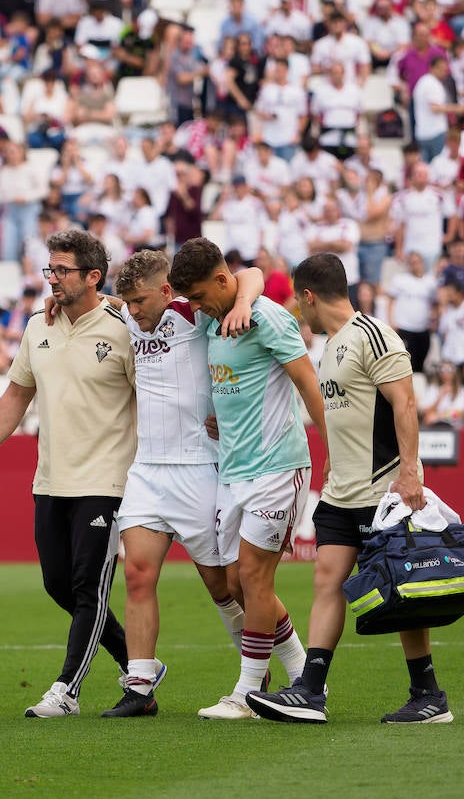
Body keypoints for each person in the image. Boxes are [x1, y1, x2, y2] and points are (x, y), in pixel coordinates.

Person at [245, 252, 453, 725]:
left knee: (400, 593)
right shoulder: (333, 344)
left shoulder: (374, 335)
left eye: (300, 301)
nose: (299, 310)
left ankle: (429, 694)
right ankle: (311, 691)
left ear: (310, 295)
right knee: (326, 581)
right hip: (340, 493)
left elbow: (405, 403)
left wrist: (411, 474)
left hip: (382, 492)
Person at [97, 250, 295, 718]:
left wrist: (246, 300)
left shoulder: (193, 311)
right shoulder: (127, 312)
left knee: (229, 586)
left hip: (200, 466)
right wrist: (52, 306)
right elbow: (92, 302)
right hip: (147, 468)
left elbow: (249, 273)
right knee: (138, 574)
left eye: (142, 300)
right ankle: (140, 684)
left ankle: (276, 665)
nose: (134, 310)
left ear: (167, 292)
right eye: (128, 302)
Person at [0, 230, 137, 719]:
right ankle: (137, 667)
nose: (52, 278)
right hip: (50, 479)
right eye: (50, 270)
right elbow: (18, 393)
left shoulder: (125, 326)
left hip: (107, 480)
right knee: (58, 585)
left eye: (62, 270)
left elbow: (153, 398)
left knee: (87, 587)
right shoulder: (39, 324)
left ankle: (67, 690)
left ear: (93, 277)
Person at [167, 237, 327, 721]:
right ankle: (302, 674)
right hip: (233, 468)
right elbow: (241, 281)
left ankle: (246, 694)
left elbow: (307, 384)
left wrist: (335, 453)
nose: (194, 308)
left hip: (276, 465)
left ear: (220, 280)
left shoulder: (268, 319)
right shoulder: (216, 316)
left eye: (197, 296)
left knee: (255, 577)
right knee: (237, 582)